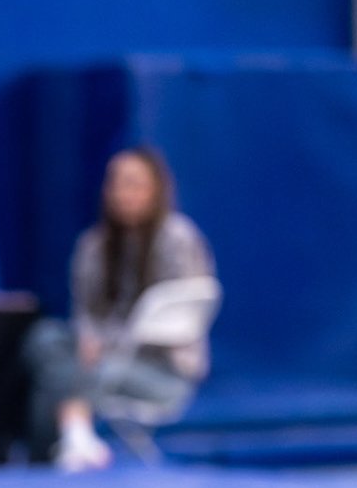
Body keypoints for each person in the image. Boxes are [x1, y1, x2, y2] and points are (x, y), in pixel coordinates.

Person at [24, 147, 215, 470]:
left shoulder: (179, 240)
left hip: (159, 371)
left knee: (66, 379)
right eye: (115, 183)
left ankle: (62, 443)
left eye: (133, 184)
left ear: (156, 189)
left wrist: (108, 344)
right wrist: (89, 339)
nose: (122, 193)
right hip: (97, 358)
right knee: (44, 339)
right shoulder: (93, 246)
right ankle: (71, 437)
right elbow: (84, 313)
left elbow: (183, 315)